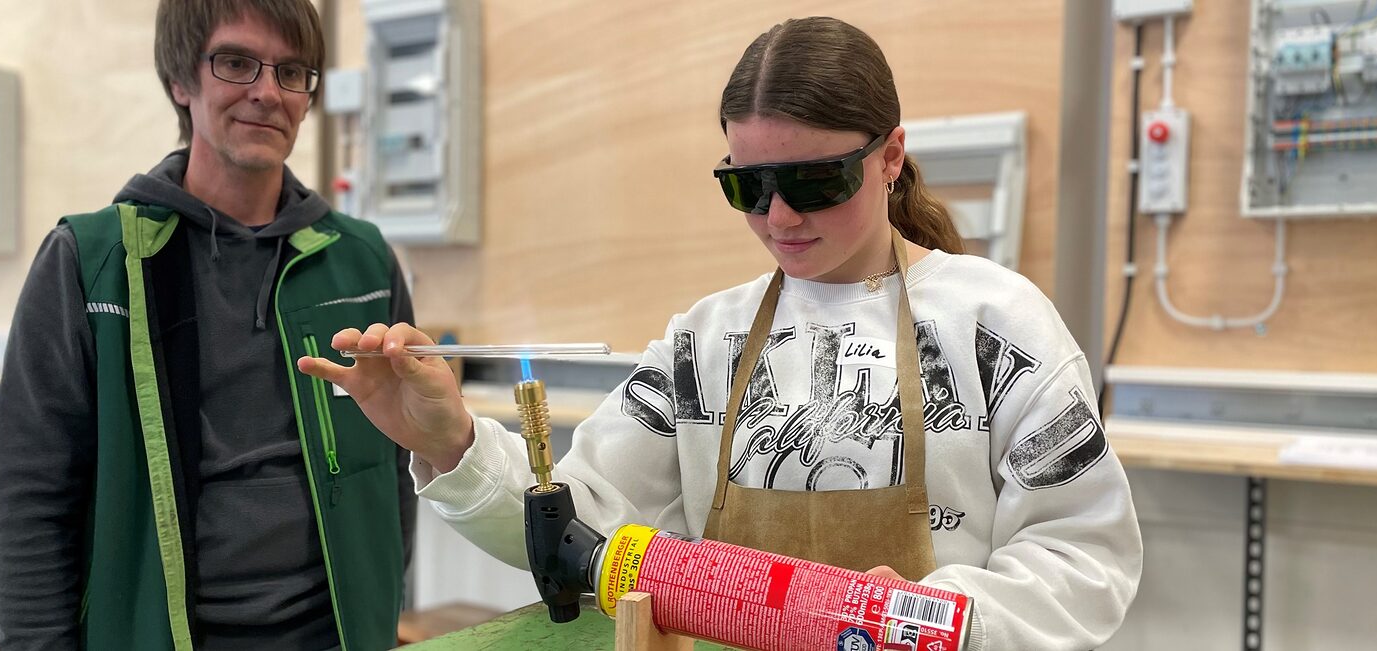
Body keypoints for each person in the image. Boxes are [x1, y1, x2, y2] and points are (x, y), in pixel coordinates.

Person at [299, 16, 1141, 651]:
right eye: (749, 185)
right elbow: (584, 531)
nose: (779, 215)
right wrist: (453, 444)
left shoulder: (999, 327)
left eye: (815, 180)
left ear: (890, 157)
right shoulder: (708, 345)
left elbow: (1085, 555)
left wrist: (936, 619)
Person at [0, 1, 416, 649]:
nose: (268, 92)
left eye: (293, 71)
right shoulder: (92, 263)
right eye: (237, 62)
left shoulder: (364, 262)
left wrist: (381, 609)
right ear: (180, 81)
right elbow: (32, 505)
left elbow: (391, 467)